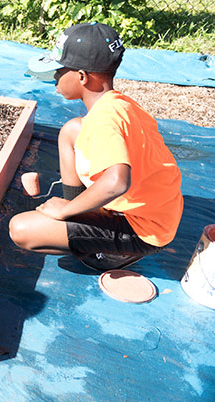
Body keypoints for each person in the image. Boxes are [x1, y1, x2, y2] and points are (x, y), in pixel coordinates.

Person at [9, 22, 183, 271]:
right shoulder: (118, 104)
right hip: (160, 211)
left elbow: (117, 182)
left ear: (82, 76)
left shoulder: (104, 121)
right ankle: (82, 215)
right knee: (71, 130)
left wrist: (65, 210)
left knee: (21, 229)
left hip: (144, 230)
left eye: (59, 71)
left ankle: (114, 252)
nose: (55, 78)